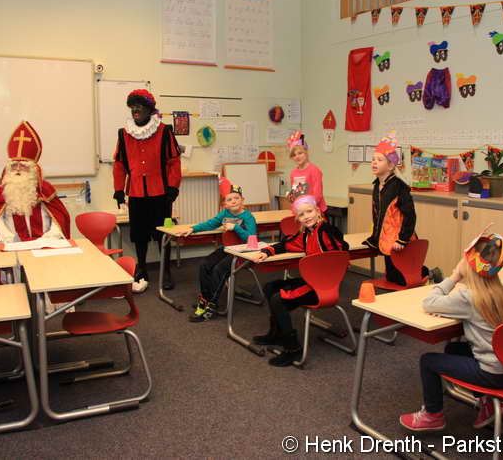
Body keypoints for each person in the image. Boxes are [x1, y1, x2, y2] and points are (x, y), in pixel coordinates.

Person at [399, 230, 503, 432]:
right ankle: (488, 403)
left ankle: (433, 416)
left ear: (468, 265)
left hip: (491, 373)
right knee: (454, 349)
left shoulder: (468, 297)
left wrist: (454, 276)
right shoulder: (499, 292)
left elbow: (429, 303)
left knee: (428, 361)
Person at [249, 195, 348, 367]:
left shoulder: (326, 231)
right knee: (270, 287)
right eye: (301, 215)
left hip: (323, 286)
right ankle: (277, 333)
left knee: (278, 299)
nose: (306, 217)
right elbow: (287, 244)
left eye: (309, 211)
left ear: (318, 211)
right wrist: (266, 251)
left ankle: (292, 348)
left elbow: (340, 253)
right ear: (298, 219)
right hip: (313, 280)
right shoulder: (307, 234)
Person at [112, 89, 182, 293]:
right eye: (133, 106)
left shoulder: (164, 131)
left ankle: (166, 270)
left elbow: (174, 161)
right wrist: (118, 190)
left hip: (161, 193)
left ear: (149, 109)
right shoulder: (124, 133)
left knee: (163, 234)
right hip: (136, 194)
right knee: (139, 234)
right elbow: (119, 164)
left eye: (140, 105)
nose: (135, 109)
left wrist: (173, 187)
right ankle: (141, 268)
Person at [178, 183, 257, 322]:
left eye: (236, 198)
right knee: (204, 264)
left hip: (243, 252)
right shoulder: (224, 214)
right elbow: (210, 223)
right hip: (228, 249)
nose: (234, 201)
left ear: (242, 200)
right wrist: (193, 228)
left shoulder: (248, 217)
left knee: (219, 269)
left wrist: (236, 228)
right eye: (230, 199)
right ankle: (205, 298)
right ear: (225, 204)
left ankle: (212, 305)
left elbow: (252, 240)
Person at [0, 121, 70, 246]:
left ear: (33, 169)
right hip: (11, 244)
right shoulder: (2, 191)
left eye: (23, 165)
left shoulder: (45, 190)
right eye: (14, 165)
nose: (18, 169)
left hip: (44, 244)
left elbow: (59, 219)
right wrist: (7, 237)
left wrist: (49, 238)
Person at [363, 131, 420, 286]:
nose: (374, 163)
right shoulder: (377, 185)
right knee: (391, 277)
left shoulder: (399, 187)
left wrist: (403, 239)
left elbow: (410, 215)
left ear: (390, 165)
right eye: (373, 159)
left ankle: (429, 273)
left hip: (398, 240)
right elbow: (378, 215)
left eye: (379, 160)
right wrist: (375, 237)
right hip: (385, 238)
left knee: (401, 277)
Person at [286, 131, 327, 214]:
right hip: (301, 211)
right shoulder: (293, 173)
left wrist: (306, 209)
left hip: (315, 211)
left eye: (300, 153)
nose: (297, 157)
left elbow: (317, 195)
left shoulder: (314, 170)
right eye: (294, 155)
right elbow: (296, 194)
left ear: (306, 152)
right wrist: (291, 198)